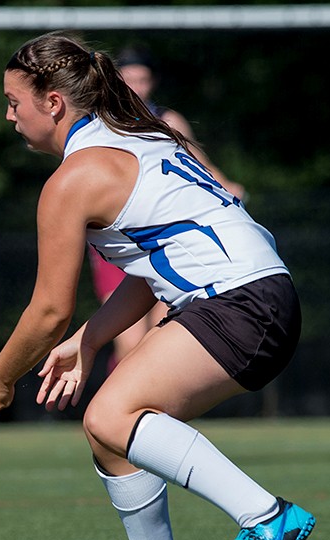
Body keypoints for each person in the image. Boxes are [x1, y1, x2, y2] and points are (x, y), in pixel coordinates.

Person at [0, 32, 315, 540]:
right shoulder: (133, 137)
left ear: (53, 102)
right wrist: (91, 338)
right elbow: (150, 266)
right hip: (258, 295)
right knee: (109, 426)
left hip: (239, 303)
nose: (9, 115)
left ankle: (266, 517)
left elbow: (48, 309)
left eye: (13, 101)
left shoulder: (74, 178)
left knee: (111, 413)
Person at [89, 44, 246, 373]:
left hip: (164, 240)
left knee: (160, 336)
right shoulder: (101, 123)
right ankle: (118, 409)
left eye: (143, 79)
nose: (136, 86)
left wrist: (226, 187)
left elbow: (198, 165)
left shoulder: (167, 121)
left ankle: (144, 408)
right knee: (129, 341)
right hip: (122, 241)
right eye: (129, 78)